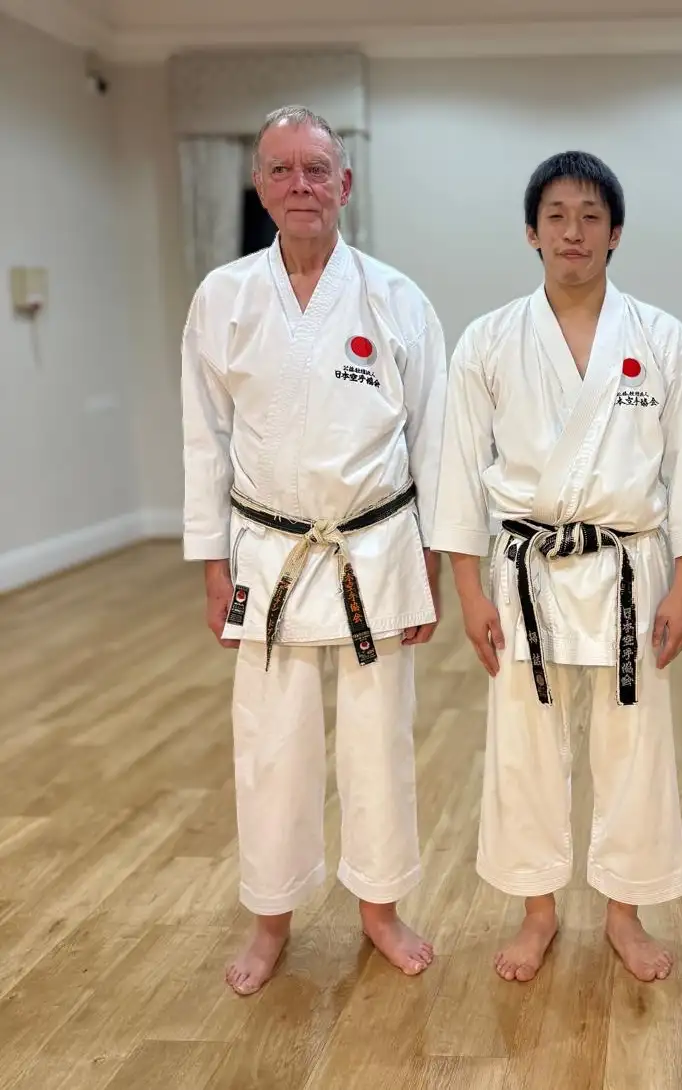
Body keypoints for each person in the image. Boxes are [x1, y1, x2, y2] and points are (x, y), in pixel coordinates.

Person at [180, 105, 447, 996]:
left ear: (346, 184)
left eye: (316, 169)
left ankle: (380, 909)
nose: (301, 185)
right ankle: (270, 917)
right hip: (268, 552)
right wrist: (212, 564)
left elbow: (434, 440)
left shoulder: (397, 299)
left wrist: (434, 562)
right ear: (260, 185)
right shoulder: (224, 297)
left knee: (380, 742)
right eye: (283, 170)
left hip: (376, 548)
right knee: (271, 743)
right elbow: (204, 440)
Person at [431, 151, 682, 984]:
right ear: (531, 232)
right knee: (524, 744)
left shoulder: (662, 339)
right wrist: (469, 589)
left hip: (630, 565)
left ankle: (625, 914)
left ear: (616, 233)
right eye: (556, 216)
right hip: (525, 567)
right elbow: (457, 471)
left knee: (634, 744)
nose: (573, 232)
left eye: (591, 216)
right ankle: (538, 912)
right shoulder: (487, 340)